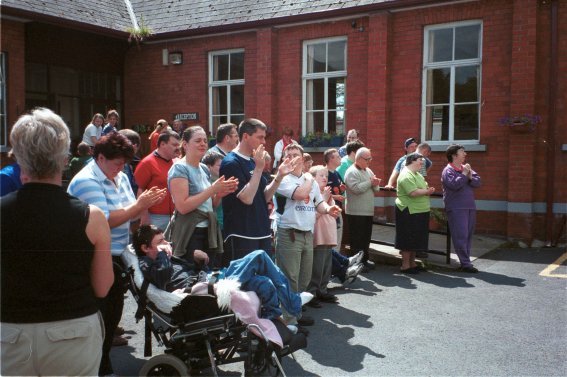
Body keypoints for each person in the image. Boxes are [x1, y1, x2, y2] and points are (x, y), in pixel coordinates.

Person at [1, 107, 113, 376]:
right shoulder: (92, 217)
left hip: (10, 333)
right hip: (72, 331)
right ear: (64, 159)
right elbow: (102, 286)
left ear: (18, 157)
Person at [67, 132, 166, 376]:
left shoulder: (119, 176)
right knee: (99, 316)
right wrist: (140, 205)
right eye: (117, 163)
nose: (121, 169)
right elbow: (106, 221)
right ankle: (97, 366)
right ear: (100, 158)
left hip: (118, 256)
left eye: (124, 164)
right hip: (96, 257)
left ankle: (102, 363)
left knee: (112, 314)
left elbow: (130, 213)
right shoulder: (86, 181)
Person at [134, 225, 312, 322]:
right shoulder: (148, 263)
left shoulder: (161, 258)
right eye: (160, 241)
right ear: (145, 248)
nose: (166, 243)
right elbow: (163, 278)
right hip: (210, 287)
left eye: (165, 239)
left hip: (212, 277)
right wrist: (162, 254)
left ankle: (272, 323)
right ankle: (293, 303)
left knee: (264, 282)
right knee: (259, 256)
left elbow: (185, 273)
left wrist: (198, 262)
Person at [274, 144, 341, 327]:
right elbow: (301, 194)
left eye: (297, 155)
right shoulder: (284, 180)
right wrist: (311, 178)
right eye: (289, 155)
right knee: (290, 278)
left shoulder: (307, 179)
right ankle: (288, 320)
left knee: (304, 278)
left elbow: (319, 203)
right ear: (284, 160)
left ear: (303, 159)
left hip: (307, 234)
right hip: (290, 234)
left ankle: (296, 313)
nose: (293, 158)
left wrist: (329, 209)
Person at [219, 118, 299, 265]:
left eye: (264, 137)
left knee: (264, 281)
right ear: (245, 136)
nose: (264, 142)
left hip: (261, 231)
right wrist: (258, 168)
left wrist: (280, 176)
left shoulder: (253, 161)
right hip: (242, 233)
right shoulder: (231, 162)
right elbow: (247, 198)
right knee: (244, 284)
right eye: (260, 137)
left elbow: (264, 197)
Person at [167, 126, 239, 269]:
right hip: (190, 231)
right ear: (185, 144)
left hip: (208, 230)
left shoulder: (204, 168)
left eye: (205, 141)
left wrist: (220, 194)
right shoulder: (179, 168)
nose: (203, 144)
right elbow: (182, 206)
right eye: (198, 140)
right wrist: (213, 189)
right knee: (192, 275)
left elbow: (210, 204)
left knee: (209, 274)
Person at [441, 144, 482, 273]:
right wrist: (465, 174)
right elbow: (454, 185)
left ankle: (466, 261)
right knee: (461, 235)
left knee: (468, 235)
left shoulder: (466, 168)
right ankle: (465, 264)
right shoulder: (448, 170)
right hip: (456, 207)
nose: (465, 154)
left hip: (469, 206)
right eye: (462, 152)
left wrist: (469, 176)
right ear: (454, 155)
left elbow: (478, 182)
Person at [395, 152, 435, 274]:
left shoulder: (416, 174)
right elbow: (412, 192)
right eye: (420, 160)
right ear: (411, 161)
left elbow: (421, 188)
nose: (422, 163)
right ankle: (405, 266)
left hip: (419, 211)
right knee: (408, 238)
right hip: (409, 211)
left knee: (415, 239)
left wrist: (426, 191)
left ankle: (412, 263)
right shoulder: (406, 175)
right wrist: (427, 192)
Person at [306, 165, 340, 307]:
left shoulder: (326, 193)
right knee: (317, 267)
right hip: (318, 236)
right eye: (321, 175)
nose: (325, 178)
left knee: (326, 266)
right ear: (313, 179)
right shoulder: (311, 194)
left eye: (326, 175)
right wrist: (325, 200)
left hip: (328, 235)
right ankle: (312, 293)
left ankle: (323, 289)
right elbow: (313, 216)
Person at [344, 147, 381, 272]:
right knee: (357, 239)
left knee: (366, 238)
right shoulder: (351, 172)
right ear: (358, 159)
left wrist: (375, 183)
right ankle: (357, 263)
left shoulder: (368, 170)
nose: (369, 161)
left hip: (367, 211)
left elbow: (376, 189)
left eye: (370, 158)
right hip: (355, 211)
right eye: (367, 159)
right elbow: (356, 189)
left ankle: (364, 259)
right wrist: (371, 183)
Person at [135, 129, 181, 231]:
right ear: (162, 144)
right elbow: (140, 190)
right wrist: (144, 216)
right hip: (155, 217)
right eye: (174, 145)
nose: (178, 148)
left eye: (179, 145)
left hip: (177, 215)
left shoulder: (177, 162)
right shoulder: (146, 163)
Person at [324, 148, 346, 250]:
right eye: (338, 157)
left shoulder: (336, 173)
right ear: (331, 159)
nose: (340, 158)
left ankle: (336, 262)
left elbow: (338, 188)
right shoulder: (324, 174)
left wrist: (341, 189)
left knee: (338, 237)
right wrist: (335, 197)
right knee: (331, 239)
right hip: (328, 211)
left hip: (337, 209)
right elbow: (320, 193)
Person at [203, 150, 226, 230]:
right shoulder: (205, 183)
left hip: (227, 224)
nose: (223, 168)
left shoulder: (225, 180)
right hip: (215, 225)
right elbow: (213, 205)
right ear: (209, 167)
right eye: (220, 165)